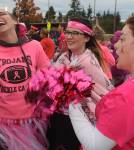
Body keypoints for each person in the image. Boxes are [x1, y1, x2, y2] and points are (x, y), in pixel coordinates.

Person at [69, 15, 134, 150]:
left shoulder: (130, 94)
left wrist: (72, 103)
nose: (116, 45)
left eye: (122, 39)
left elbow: (95, 146)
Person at [47, 17, 113, 150]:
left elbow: (103, 91)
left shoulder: (87, 62)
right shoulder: (65, 57)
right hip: (59, 115)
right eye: (67, 32)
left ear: (87, 38)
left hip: (77, 119)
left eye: (75, 33)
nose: (69, 37)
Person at [0, 9, 50, 149]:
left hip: (33, 122)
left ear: (15, 21)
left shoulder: (34, 46)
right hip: (3, 124)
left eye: (2, 14)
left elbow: (48, 75)